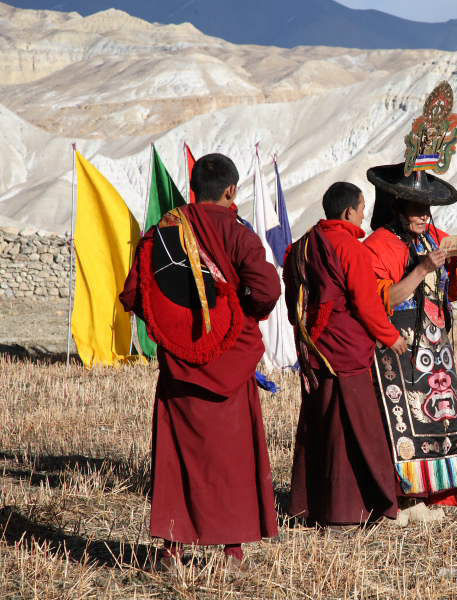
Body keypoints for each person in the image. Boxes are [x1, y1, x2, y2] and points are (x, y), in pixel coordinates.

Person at [120, 153, 280, 569]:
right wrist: (239, 311)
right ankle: (232, 550)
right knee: (234, 456)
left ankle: (173, 549)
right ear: (231, 191)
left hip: (180, 364)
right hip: (231, 360)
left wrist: (175, 326)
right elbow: (266, 289)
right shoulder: (239, 234)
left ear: (193, 188)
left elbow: (136, 292)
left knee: (178, 455)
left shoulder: (164, 230)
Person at [284, 182, 409, 528]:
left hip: (314, 349)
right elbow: (366, 303)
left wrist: (307, 338)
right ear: (348, 212)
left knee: (320, 424)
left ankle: (308, 506)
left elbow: (293, 299)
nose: (364, 213)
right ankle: (347, 512)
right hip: (346, 350)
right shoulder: (348, 248)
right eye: (361, 207)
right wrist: (391, 336)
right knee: (352, 430)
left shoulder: (301, 246)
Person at [363, 163, 457, 521]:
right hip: (397, 349)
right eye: (416, 208)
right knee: (403, 422)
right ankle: (401, 498)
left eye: (427, 208)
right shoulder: (376, 248)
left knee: (438, 419)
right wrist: (421, 270)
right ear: (395, 207)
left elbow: (452, 290)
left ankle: (434, 492)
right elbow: (379, 302)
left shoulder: (435, 237)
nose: (423, 216)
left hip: (436, 347)